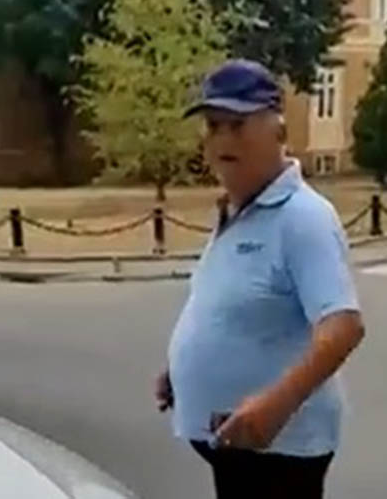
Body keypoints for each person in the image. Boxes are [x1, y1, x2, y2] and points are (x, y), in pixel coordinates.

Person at [154, 59, 366, 499]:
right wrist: (179, 370)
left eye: (238, 125)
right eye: (214, 125)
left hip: (279, 450)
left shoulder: (303, 216)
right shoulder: (238, 209)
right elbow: (227, 304)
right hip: (236, 442)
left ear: (279, 132)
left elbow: (343, 326)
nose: (223, 140)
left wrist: (277, 404)